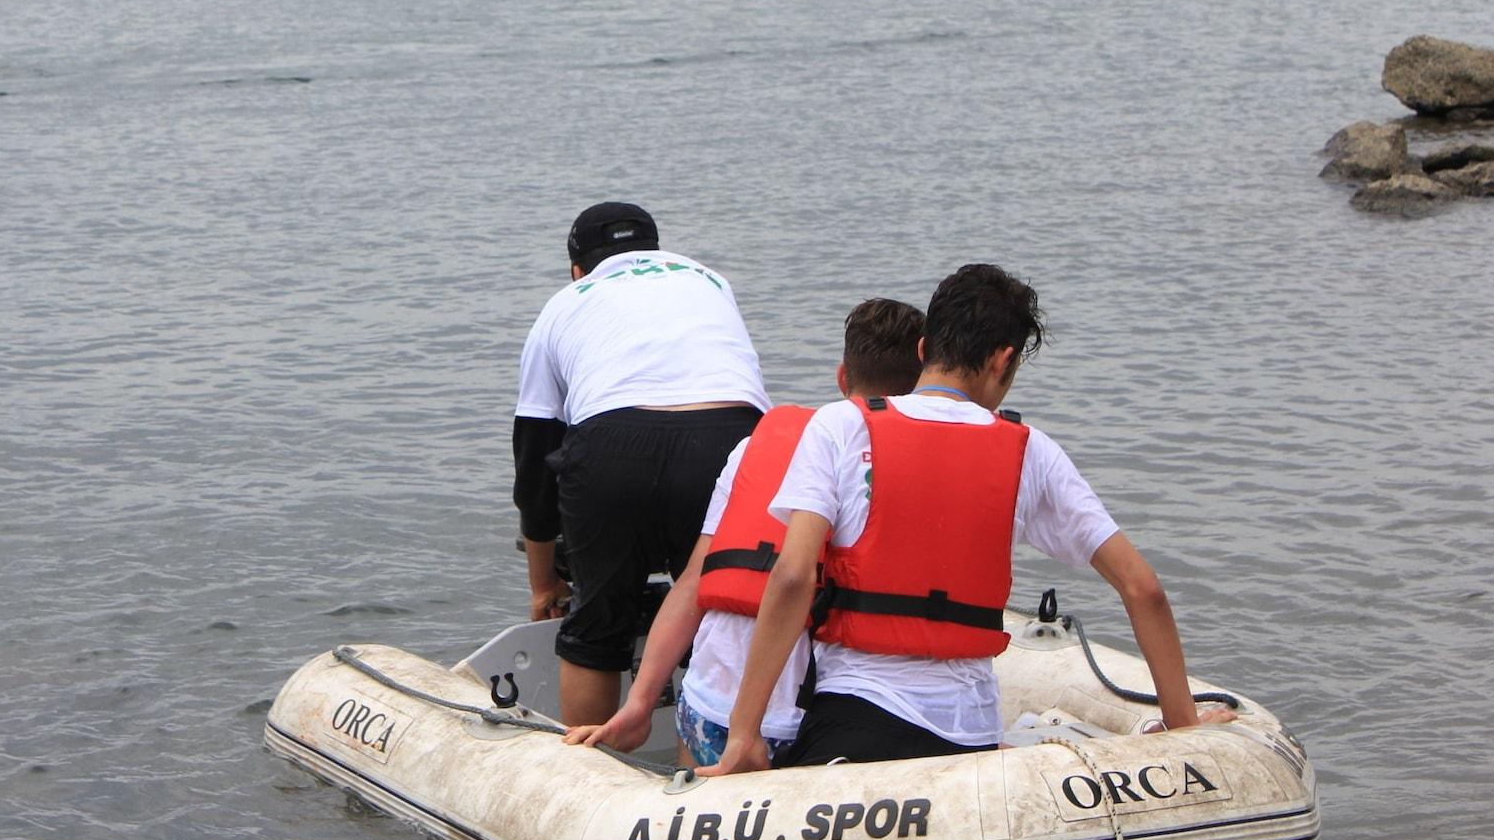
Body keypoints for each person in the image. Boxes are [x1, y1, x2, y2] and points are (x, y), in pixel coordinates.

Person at [703, 263, 1235, 775]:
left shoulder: (841, 426)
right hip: (967, 737)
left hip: (854, 722)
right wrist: (1183, 722)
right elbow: (1143, 589)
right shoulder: (1031, 452)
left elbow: (793, 577)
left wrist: (744, 733)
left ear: (922, 349)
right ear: (1004, 361)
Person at [565, 298, 923, 767]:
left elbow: (694, 582)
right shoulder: (910, 467)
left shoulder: (753, 447)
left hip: (709, 707)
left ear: (842, 377)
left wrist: (639, 703)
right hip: (812, 723)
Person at [514, 202, 769, 726]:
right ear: (653, 250)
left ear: (576, 269)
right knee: (719, 622)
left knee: (597, 630)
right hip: (729, 441)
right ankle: (711, 776)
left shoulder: (566, 302)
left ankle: (589, 770)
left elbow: (535, 465)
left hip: (613, 447)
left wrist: (544, 585)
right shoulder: (709, 281)